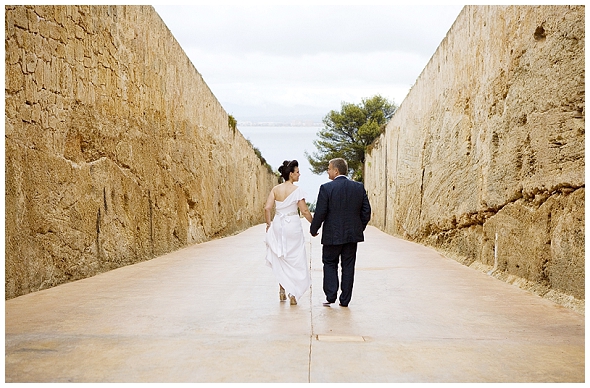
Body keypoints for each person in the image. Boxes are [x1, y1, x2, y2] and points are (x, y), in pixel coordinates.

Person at [309, 158, 371, 307]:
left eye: (329, 169)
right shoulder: (358, 187)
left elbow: (321, 212)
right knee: (348, 266)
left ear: (336, 171)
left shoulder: (326, 188)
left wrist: (313, 229)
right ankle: (345, 300)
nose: (328, 172)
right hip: (351, 236)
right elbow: (366, 211)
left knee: (330, 263)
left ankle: (330, 296)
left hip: (332, 235)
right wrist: (358, 227)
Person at [264, 160, 313, 306]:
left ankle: (282, 290)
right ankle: (293, 293)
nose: (299, 174)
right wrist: (314, 224)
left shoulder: (275, 189)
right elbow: (304, 211)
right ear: (291, 174)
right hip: (292, 224)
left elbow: (267, 208)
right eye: (297, 172)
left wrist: (268, 225)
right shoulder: (297, 190)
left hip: (278, 223)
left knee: (281, 257)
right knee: (295, 258)